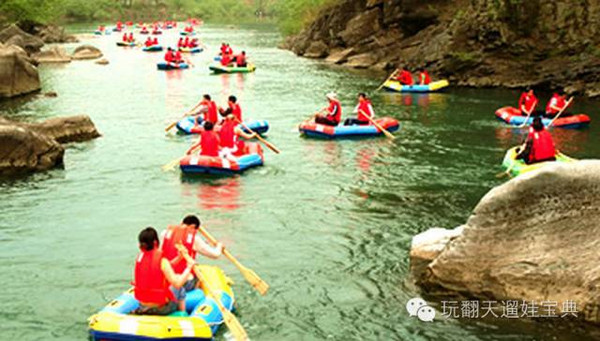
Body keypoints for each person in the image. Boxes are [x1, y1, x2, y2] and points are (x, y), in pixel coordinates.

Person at [160, 215, 223, 311]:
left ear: (182, 223)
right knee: (198, 273)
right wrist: (219, 246)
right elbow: (215, 255)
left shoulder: (164, 233)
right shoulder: (195, 239)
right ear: (194, 228)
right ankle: (196, 296)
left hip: (165, 278)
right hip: (182, 281)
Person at [132, 227, 195, 315]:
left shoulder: (140, 258)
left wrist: (179, 258)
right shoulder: (162, 261)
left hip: (143, 306)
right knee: (180, 289)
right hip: (161, 309)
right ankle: (182, 315)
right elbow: (177, 284)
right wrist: (189, 267)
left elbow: (161, 268)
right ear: (155, 242)